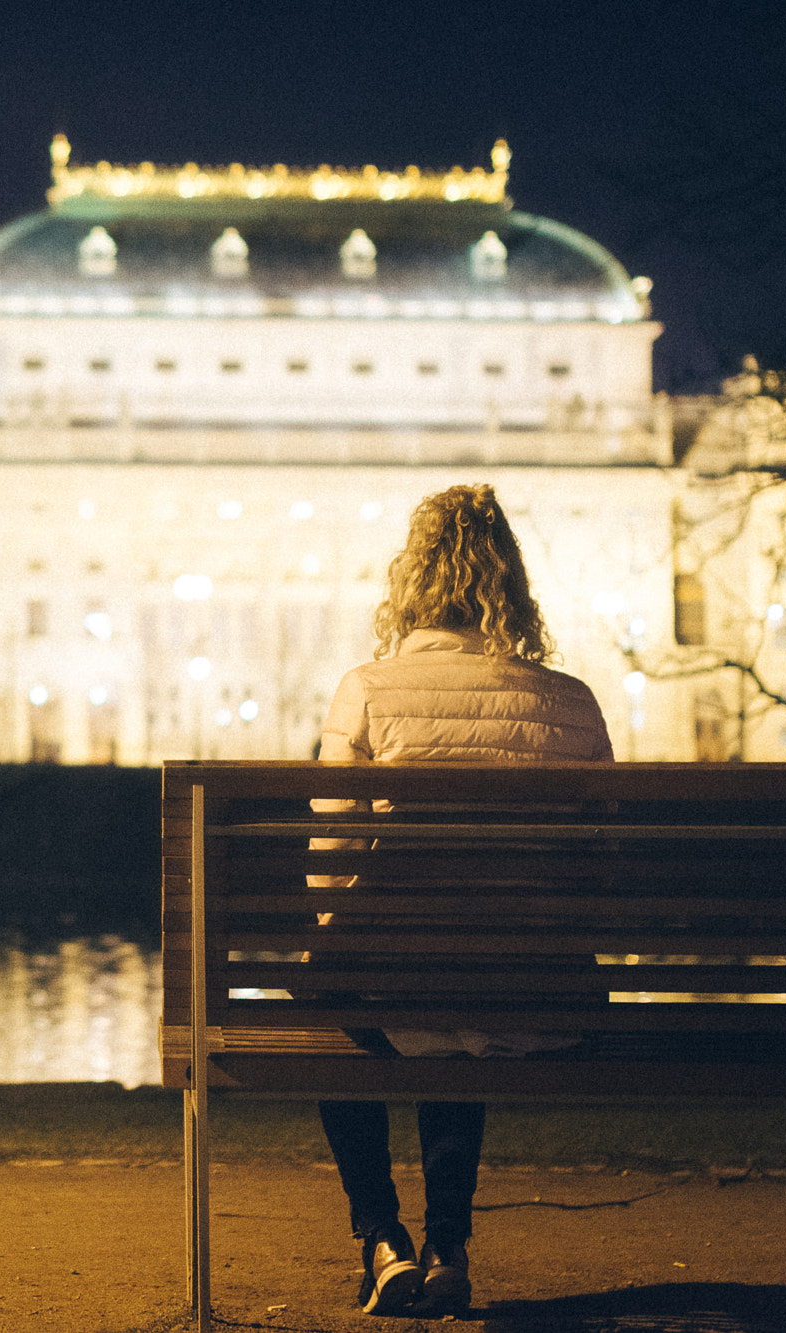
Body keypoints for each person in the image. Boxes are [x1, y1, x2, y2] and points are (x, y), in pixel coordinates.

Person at [310, 484, 613, 1317]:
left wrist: (346, 936)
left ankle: (381, 1238)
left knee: (345, 994)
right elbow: (601, 869)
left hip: (411, 981)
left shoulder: (368, 689)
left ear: (409, 584)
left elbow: (331, 860)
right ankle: (449, 1239)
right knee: (466, 984)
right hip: (536, 988)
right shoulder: (570, 701)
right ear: (509, 586)